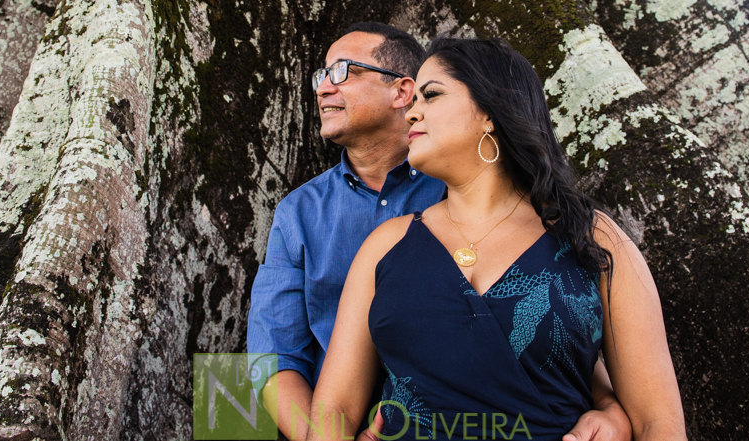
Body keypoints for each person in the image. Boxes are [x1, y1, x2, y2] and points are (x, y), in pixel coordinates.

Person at [247, 25, 632, 441]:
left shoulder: (468, 184)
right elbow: (272, 359)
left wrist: (610, 407)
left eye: (341, 71)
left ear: (401, 91)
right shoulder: (300, 213)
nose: (323, 88)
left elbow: (550, 322)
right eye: (321, 76)